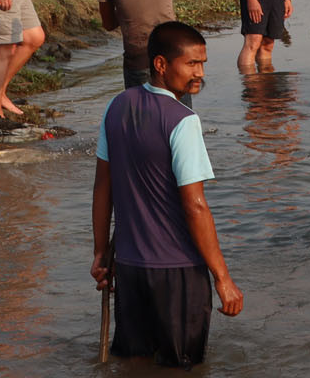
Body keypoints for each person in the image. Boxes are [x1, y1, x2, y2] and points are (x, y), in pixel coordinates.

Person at [91, 21, 242, 367]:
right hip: (177, 273)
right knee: (181, 368)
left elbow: (102, 187)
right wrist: (223, 279)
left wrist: (101, 253)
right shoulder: (183, 120)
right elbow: (195, 206)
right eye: (191, 64)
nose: (200, 73)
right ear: (161, 64)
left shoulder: (116, 107)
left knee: (135, 365)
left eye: (202, 63)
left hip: (129, 268)